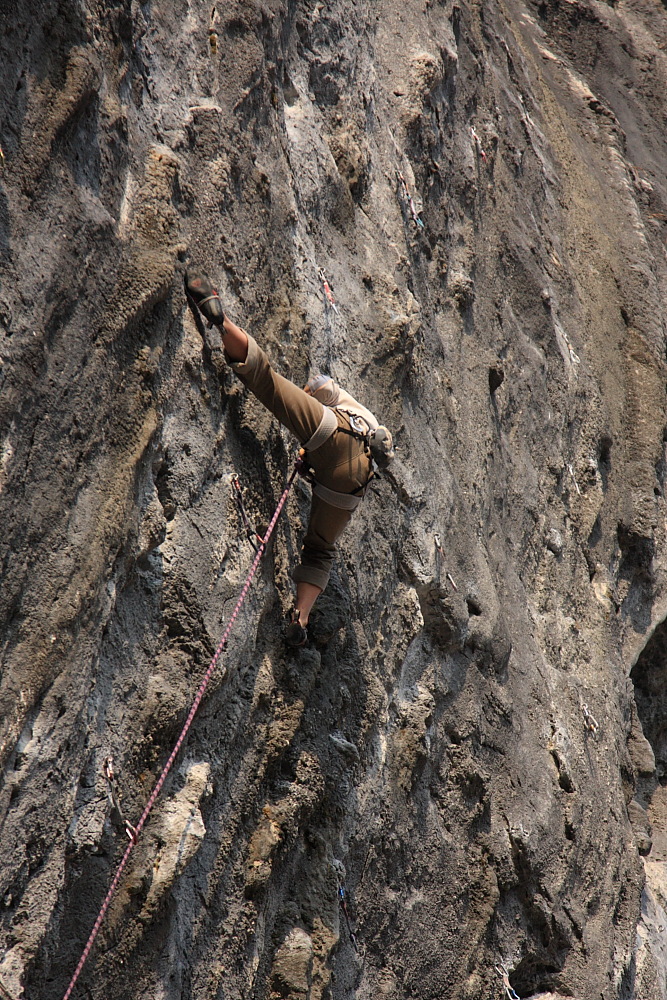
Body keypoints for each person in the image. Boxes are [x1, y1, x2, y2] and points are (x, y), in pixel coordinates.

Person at [186, 272, 386, 646]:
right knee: (320, 549)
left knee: (266, 381)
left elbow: (322, 387)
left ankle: (220, 319)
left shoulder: (346, 403)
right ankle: (302, 615)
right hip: (353, 484)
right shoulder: (370, 429)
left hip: (334, 432)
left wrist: (310, 396)